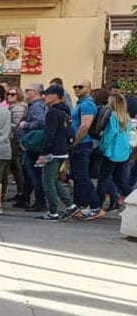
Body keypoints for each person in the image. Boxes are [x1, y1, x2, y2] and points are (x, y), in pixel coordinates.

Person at [35, 85, 78, 220]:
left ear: (55, 96)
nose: (44, 97)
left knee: (47, 182)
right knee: (53, 180)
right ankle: (70, 206)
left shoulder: (53, 112)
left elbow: (49, 134)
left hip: (52, 152)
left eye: (47, 94)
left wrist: (43, 152)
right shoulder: (65, 111)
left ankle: (53, 212)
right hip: (62, 150)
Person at [94, 92, 134, 214]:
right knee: (120, 179)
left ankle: (98, 205)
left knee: (103, 179)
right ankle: (133, 198)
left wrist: (101, 147)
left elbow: (109, 136)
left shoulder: (113, 117)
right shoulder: (126, 117)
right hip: (124, 152)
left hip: (112, 152)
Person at [69, 80, 101, 217]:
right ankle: (79, 204)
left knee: (82, 176)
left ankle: (95, 206)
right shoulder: (81, 103)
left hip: (82, 144)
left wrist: (75, 141)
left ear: (89, 89)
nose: (76, 89)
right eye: (75, 86)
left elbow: (85, 126)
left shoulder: (87, 104)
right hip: (81, 144)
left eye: (80, 87)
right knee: (77, 176)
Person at [15, 82, 47, 211]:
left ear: (35, 92)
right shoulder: (34, 105)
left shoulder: (36, 106)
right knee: (28, 173)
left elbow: (41, 122)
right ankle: (25, 198)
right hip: (32, 144)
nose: (25, 92)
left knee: (34, 174)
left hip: (33, 144)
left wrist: (25, 125)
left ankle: (39, 201)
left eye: (27, 90)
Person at [6, 86, 28, 206]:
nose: (9, 96)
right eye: (8, 94)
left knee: (17, 166)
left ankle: (22, 192)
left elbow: (17, 125)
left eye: (13, 94)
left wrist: (4, 122)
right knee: (15, 167)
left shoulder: (19, 108)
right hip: (13, 138)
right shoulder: (13, 107)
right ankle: (20, 192)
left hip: (16, 139)